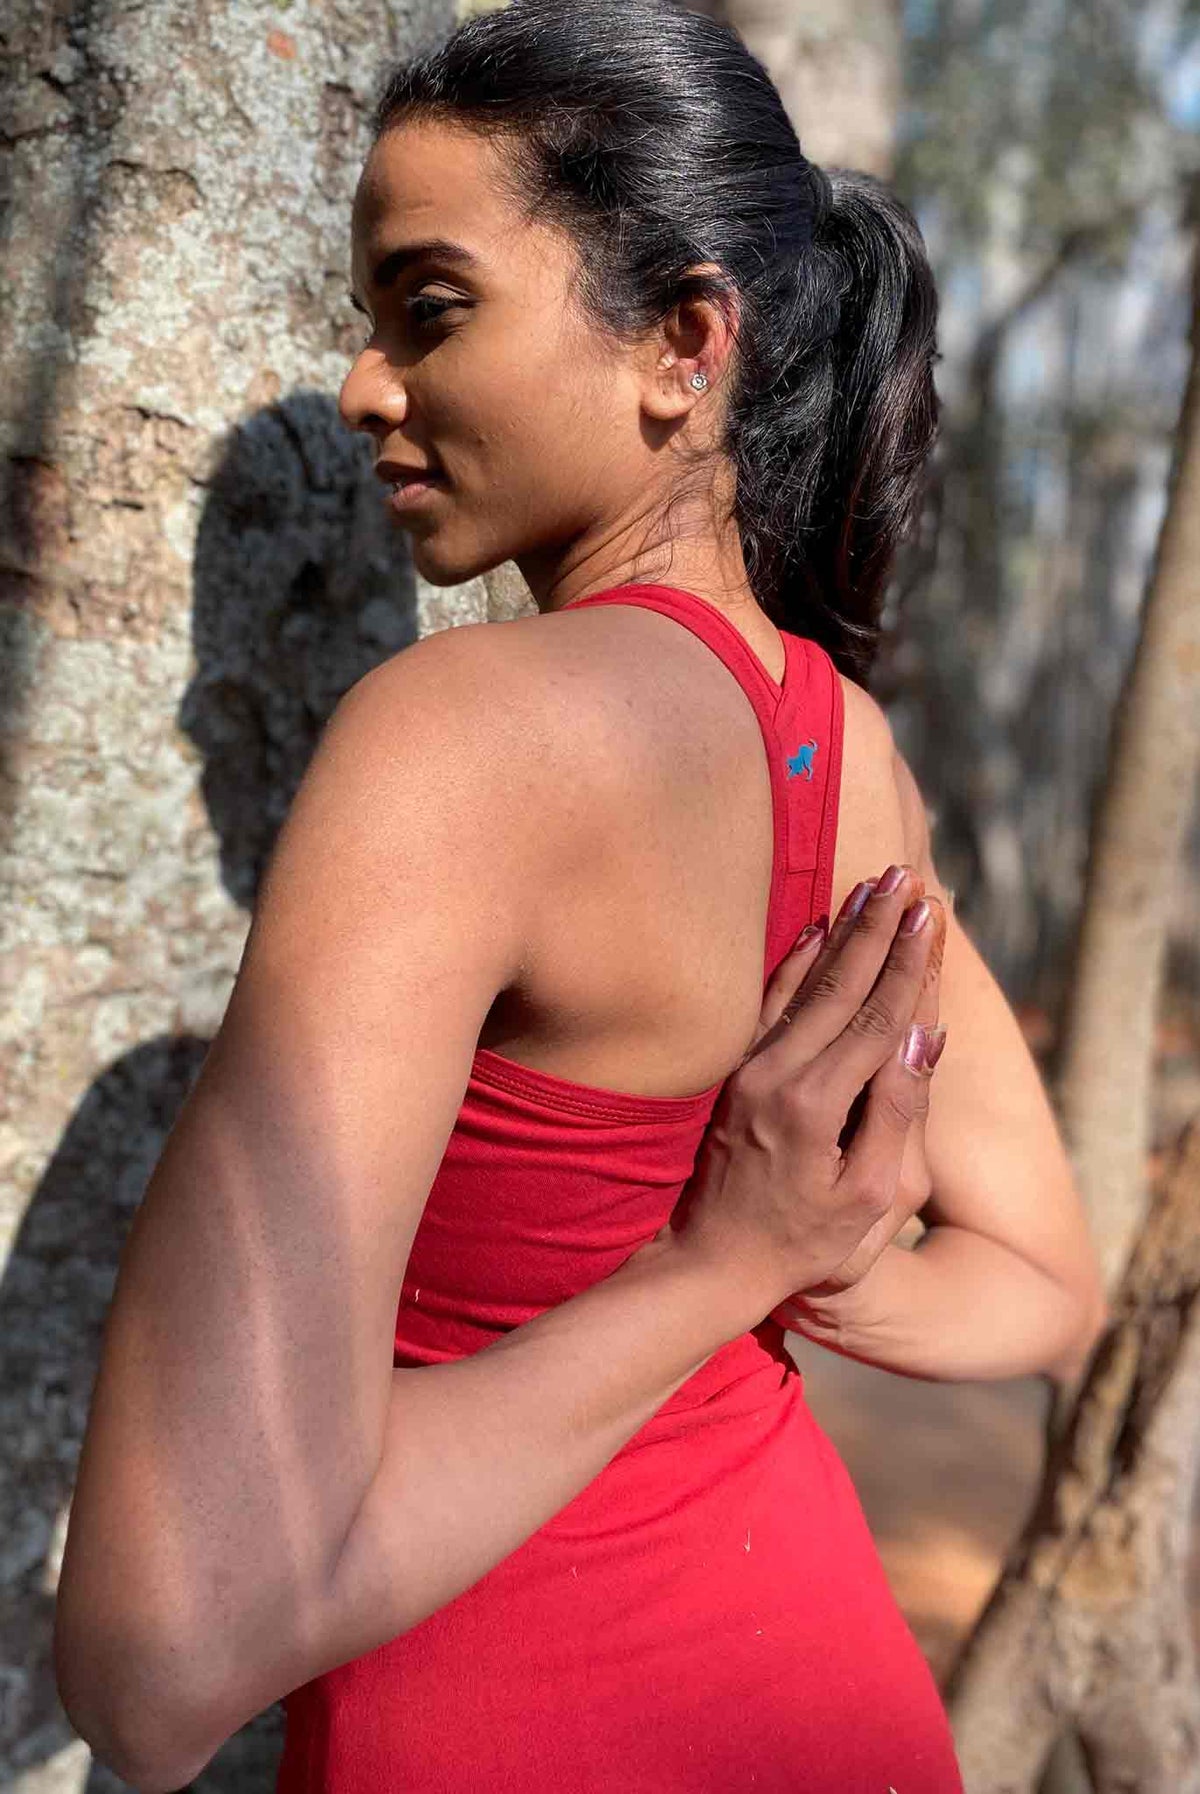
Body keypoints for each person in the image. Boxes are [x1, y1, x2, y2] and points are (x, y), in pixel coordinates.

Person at [53, 3, 1110, 1790]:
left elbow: (158, 1663)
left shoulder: (463, 736)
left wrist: (726, 1261)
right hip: (825, 1687)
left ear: (685, 345)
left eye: (431, 307)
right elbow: (1042, 1281)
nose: (366, 383)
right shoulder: (844, 752)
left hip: (520, 1715)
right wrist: (780, 1265)